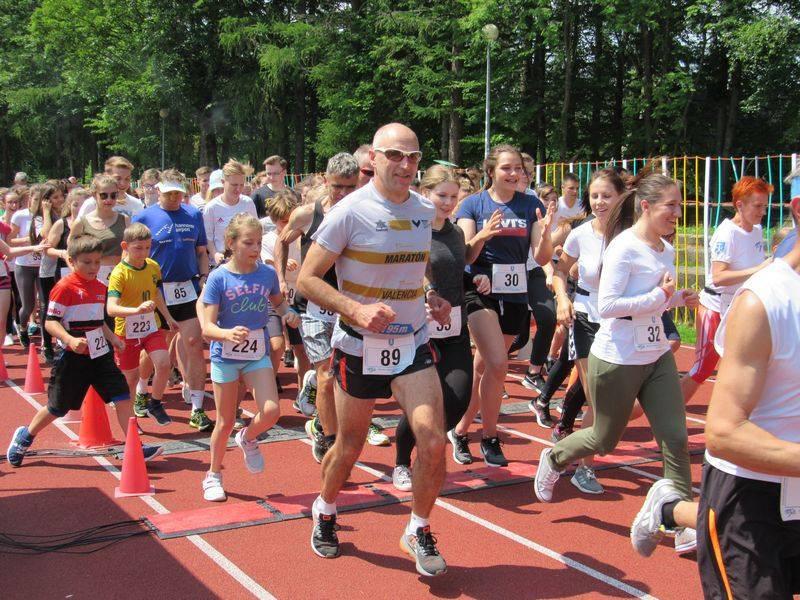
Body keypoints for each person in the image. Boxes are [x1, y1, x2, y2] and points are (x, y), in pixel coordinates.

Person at [297, 123, 450, 575]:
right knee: (350, 446)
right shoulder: (349, 211)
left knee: (433, 439)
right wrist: (355, 309)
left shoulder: (423, 210)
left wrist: (429, 294)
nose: (405, 165)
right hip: (359, 345)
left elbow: (412, 265)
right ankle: (325, 508)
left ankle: (417, 528)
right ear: (374, 159)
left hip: (412, 341)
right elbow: (306, 279)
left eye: (413, 156)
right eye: (395, 155)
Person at [534, 174, 699, 554]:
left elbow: (655, 300)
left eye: (679, 205)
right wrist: (660, 296)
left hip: (655, 353)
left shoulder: (665, 249)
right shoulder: (623, 248)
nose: (678, 212)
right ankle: (555, 457)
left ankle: (679, 521)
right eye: (671, 205)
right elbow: (608, 306)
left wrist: (676, 298)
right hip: (618, 357)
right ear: (647, 207)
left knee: (675, 437)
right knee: (604, 438)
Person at [6, 236, 163, 468]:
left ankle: (135, 445)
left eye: (97, 262)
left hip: (99, 355)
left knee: (122, 395)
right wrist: (70, 339)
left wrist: (114, 340)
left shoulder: (100, 288)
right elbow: (50, 322)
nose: (93, 267)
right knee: (57, 408)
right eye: (87, 262)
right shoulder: (64, 288)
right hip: (72, 357)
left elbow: (99, 322)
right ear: (72, 261)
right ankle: (25, 436)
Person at [275, 152, 387, 464]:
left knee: (349, 374)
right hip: (313, 306)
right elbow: (282, 240)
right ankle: (329, 439)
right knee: (326, 373)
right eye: (337, 186)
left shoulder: (365, 213)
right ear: (326, 181)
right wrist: (281, 277)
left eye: (350, 187)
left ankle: (326, 416)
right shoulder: (307, 214)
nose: (343, 193)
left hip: (349, 305)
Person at [449, 144, 554, 467]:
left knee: (485, 368)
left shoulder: (530, 204)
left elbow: (541, 257)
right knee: (497, 364)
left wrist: (547, 235)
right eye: (507, 168)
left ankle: (460, 430)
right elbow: (466, 255)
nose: (514, 173)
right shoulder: (473, 204)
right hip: (479, 288)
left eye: (518, 168)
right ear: (490, 171)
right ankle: (490, 437)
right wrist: (483, 234)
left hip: (515, 293)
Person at [392, 165, 487, 491]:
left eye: (453, 196)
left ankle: (427, 446)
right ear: (425, 193)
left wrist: (476, 276)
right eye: (441, 195)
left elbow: (459, 267)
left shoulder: (456, 232)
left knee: (458, 398)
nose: (448, 202)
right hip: (420, 328)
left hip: (455, 326)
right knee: (423, 402)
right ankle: (402, 462)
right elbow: (413, 271)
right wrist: (428, 293)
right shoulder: (412, 230)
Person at [533, 169, 627, 495]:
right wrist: (562, 298)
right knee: (598, 398)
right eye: (594, 196)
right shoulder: (580, 233)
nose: (599, 202)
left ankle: (563, 444)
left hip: (621, 322)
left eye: (606, 196)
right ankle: (583, 467)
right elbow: (556, 267)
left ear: (620, 197)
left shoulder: (632, 235)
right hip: (586, 317)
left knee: (610, 403)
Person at [200, 214, 300, 502]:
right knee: (224, 421)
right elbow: (207, 328)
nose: (255, 249)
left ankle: (248, 437)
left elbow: (279, 304)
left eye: (258, 242)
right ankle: (213, 474)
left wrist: (288, 314)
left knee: (271, 411)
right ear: (231, 243)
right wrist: (225, 333)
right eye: (248, 243)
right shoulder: (219, 278)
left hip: (256, 352)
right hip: (225, 355)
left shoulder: (266, 274)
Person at [680, 176, 772, 404]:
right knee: (703, 368)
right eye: (757, 206)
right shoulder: (727, 233)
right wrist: (759, 269)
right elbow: (719, 277)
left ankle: (739, 410)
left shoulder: (757, 230)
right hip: (715, 308)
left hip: (740, 308)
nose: (763, 212)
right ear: (739, 205)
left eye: (765, 206)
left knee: (747, 362)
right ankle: (668, 411)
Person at [133, 170, 211, 431]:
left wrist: (203, 277)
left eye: (178, 193)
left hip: (188, 287)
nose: (175, 197)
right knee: (156, 346)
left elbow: (201, 251)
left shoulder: (193, 215)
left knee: (194, 343)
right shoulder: (144, 217)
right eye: (169, 193)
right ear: (158, 191)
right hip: (157, 291)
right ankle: (142, 389)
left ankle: (197, 408)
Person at [106, 223, 178, 426]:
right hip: (126, 332)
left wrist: (168, 317)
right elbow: (111, 308)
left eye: (147, 248)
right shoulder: (119, 273)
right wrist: (136, 311)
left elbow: (156, 293)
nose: (144, 253)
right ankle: (130, 421)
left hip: (151, 327)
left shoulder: (153, 266)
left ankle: (155, 403)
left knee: (163, 363)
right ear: (125, 246)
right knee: (130, 380)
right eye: (138, 248)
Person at [259, 189, 311, 393]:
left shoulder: (302, 236)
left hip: (299, 298)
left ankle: (302, 394)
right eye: (283, 222)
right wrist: (279, 264)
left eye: (292, 221)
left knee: (302, 350)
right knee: (276, 346)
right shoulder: (268, 239)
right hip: (274, 299)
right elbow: (267, 263)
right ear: (274, 220)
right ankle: (268, 385)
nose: (288, 225)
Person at [10, 183, 57, 351]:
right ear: (30, 199)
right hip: (25, 265)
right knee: (28, 305)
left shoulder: (49, 215)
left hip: (44, 266)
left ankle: (46, 342)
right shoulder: (20, 216)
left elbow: (48, 236)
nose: (39, 203)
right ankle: (22, 327)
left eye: (43, 200)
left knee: (45, 304)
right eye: (36, 199)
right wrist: (29, 241)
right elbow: (9, 241)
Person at [69, 174, 130, 286]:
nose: (109, 199)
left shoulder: (125, 219)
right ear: (94, 195)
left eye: (113, 195)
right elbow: (71, 253)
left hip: (120, 276)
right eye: (103, 195)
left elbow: (129, 249)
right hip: (92, 278)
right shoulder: (81, 223)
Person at [203, 159, 257, 267]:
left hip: (246, 262)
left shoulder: (248, 203)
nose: (238, 189)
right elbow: (208, 238)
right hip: (222, 264)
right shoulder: (211, 207)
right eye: (234, 185)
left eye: (241, 185)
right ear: (223, 182)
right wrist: (215, 254)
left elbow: (256, 231)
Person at [77, 156, 144, 219]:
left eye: (127, 179)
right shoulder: (92, 204)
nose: (123, 183)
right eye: (118, 179)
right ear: (107, 177)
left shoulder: (136, 205)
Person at [47, 187, 90, 284]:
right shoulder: (61, 224)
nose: (79, 209)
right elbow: (48, 249)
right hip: (65, 269)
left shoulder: (94, 223)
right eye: (75, 205)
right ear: (69, 205)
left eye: (83, 205)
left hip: (90, 270)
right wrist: (62, 253)